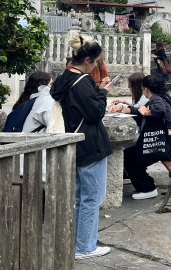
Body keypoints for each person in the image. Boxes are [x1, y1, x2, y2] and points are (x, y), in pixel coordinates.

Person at [50, 31, 114, 260]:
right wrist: (104, 93)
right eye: (96, 61)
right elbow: (95, 113)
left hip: (74, 144)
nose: (96, 66)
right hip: (90, 145)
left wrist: (96, 92)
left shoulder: (63, 78)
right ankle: (85, 246)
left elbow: (79, 105)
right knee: (91, 198)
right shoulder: (83, 81)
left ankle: (78, 242)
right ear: (87, 60)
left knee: (79, 197)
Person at [123, 75, 171, 200]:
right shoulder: (162, 96)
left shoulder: (156, 99)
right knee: (129, 153)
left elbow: (158, 111)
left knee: (130, 157)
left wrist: (145, 112)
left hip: (164, 147)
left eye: (143, 89)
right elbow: (141, 112)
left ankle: (148, 188)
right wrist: (126, 109)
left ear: (146, 89)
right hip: (166, 143)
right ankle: (140, 180)